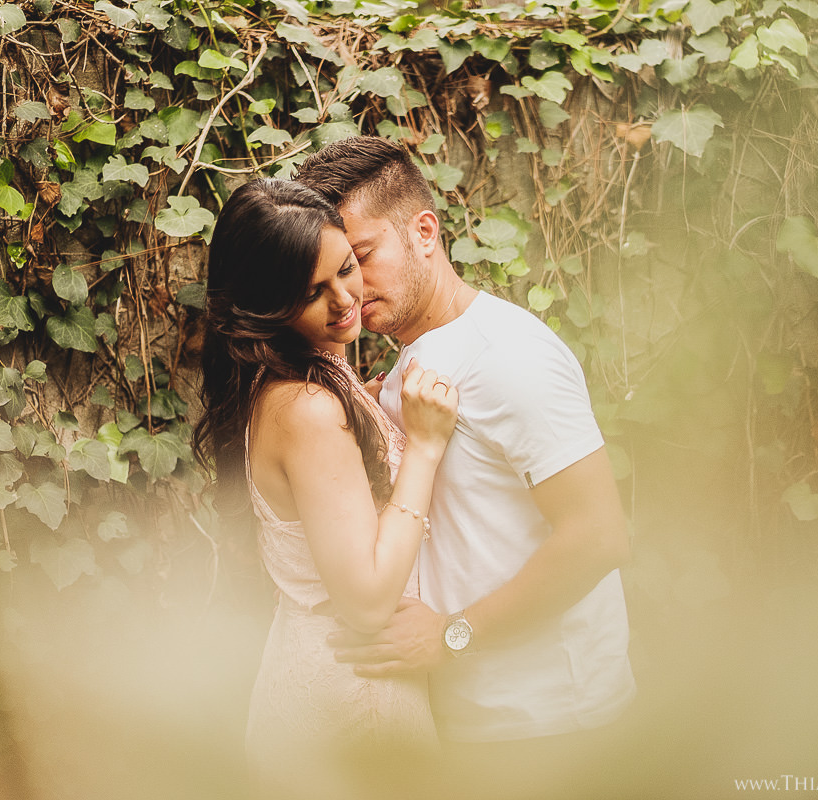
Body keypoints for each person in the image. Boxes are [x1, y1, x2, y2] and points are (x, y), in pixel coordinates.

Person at [295, 137, 636, 793]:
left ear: (425, 232)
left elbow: (598, 536)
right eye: (337, 267)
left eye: (363, 257)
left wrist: (451, 637)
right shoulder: (405, 362)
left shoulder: (511, 355)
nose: (352, 287)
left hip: (551, 726)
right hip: (466, 723)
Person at [191, 178, 458, 799]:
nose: (345, 300)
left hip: (321, 672)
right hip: (352, 699)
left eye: (347, 268)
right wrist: (421, 446)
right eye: (313, 291)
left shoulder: (302, 376)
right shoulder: (307, 408)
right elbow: (365, 601)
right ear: (265, 304)